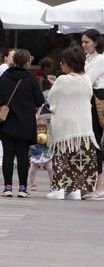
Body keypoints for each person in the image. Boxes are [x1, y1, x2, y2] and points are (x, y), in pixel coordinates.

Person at [46, 46, 99, 200]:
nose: (61, 65)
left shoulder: (62, 80)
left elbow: (51, 100)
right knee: (78, 159)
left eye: (62, 62)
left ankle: (59, 188)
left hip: (65, 128)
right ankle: (74, 189)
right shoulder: (87, 79)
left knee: (63, 158)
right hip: (84, 128)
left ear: (68, 63)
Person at [0, 49, 43, 198]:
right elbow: (39, 100)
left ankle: (7, 187)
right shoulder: (31, 78)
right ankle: (22, 188)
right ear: (27, 62)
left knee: (8, 155)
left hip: (7, 122)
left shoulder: (5, 76)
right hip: (25, 124)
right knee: (22, 156)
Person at [80, 29, 104, 198]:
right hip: (88, 100)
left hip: (97, 100)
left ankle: (98, 186)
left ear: (96, 42)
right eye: (82, 42)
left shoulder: (100, 59)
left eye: (87, 42)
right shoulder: (87, 58)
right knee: (89, 141)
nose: (84, 45)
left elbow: (88, 79)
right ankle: (89, 184)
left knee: (95, 140)